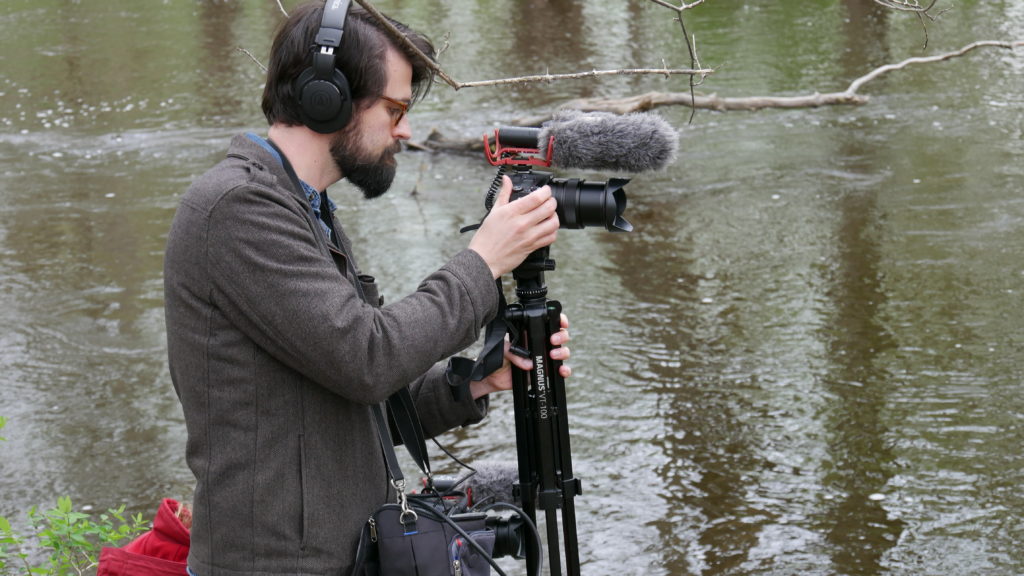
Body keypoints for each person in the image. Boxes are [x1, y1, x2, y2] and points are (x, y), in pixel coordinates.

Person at [162, 1, 571, 575]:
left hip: (339, 554)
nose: (404, 129)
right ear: (324, 97)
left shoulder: (305, 209)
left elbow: (352, 395)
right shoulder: (238, 209)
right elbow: (368, 358)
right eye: (394, 107)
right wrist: (484, 260)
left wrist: (476, 379)